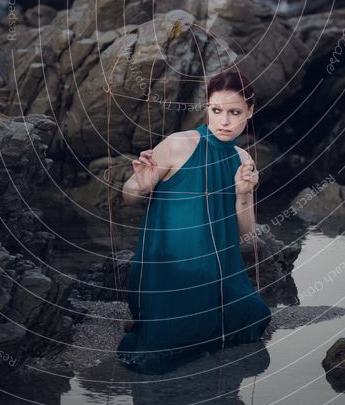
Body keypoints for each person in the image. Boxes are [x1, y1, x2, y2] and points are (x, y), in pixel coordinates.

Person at [116, 69, 272, 375]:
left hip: (218, 270)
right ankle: (148, 316)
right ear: (207, 109)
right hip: (169, 269)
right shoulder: (178, 144)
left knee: (255, 317)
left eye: (234, 112)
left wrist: (243, 193)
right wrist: (142, 185)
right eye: (216, 111)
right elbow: (128, 197)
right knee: (163, 352)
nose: (224, 121)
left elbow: (247, 234)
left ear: (250, 112)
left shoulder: (243, 160)